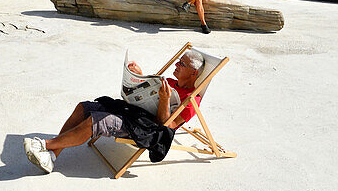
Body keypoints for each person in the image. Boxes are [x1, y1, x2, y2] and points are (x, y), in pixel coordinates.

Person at [22, 50, 206, 174]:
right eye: (179, 61)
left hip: (145, 128)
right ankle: (53, 155)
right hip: (135, 112)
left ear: (193, 74)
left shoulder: (191, 100)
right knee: (84, 107)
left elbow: (166, 127)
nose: (177, 64)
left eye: (182, 64)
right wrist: (140, 77)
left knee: (97, 120)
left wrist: (165, 100)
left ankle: (45, 145)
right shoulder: (171, 83)